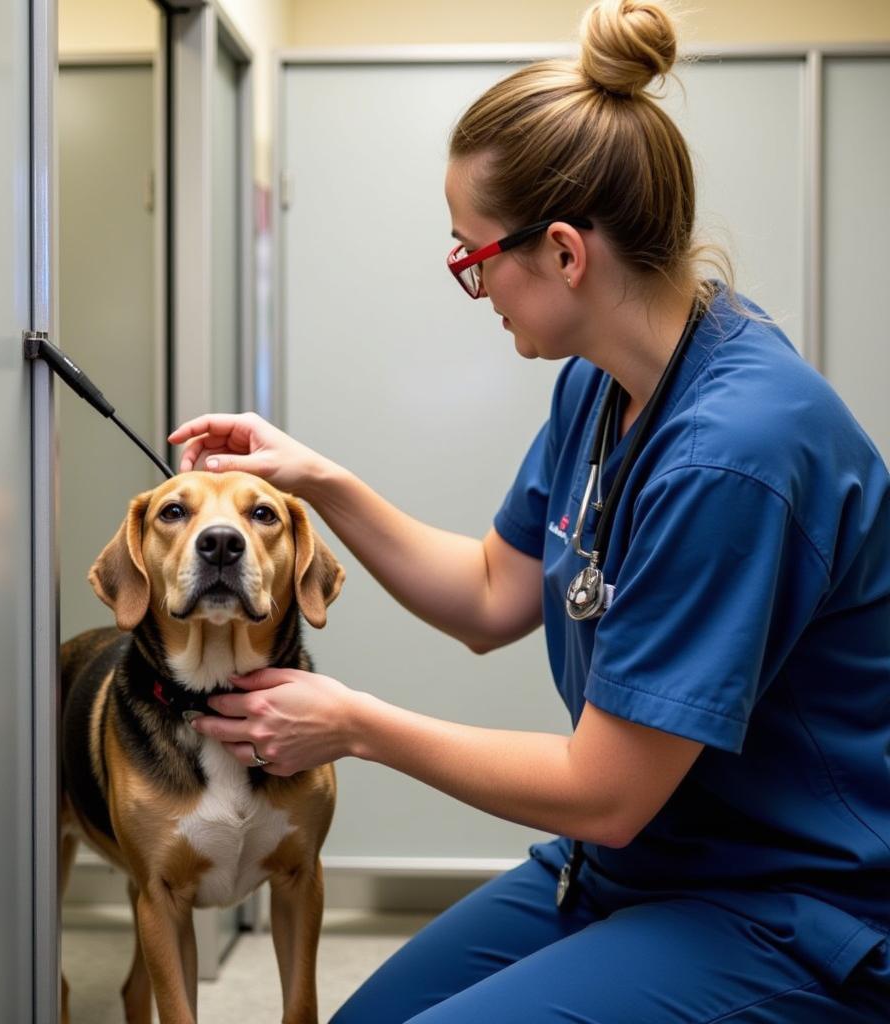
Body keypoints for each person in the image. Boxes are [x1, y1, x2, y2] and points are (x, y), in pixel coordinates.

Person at [167, 1, 890, 1019]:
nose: (474, 286)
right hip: (632, 862)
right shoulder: (602, 384)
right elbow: (490, 594)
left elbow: (605, 786)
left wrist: (353, 726)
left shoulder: (737, 452)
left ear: (561, 251)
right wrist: (315, 477)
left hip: (785, 901)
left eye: (472, 259)